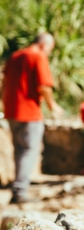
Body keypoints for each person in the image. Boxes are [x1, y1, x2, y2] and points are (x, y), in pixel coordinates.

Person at [1, 32, 64, 204]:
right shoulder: (38, 56)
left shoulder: (15, 56)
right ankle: (20, 191)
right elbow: (44, 85)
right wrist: (53, 107)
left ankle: (18, 189)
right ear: (45, 45)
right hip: (30, 112)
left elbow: (3, 81)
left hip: (12, 111)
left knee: (19, 150)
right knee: (29, 151)